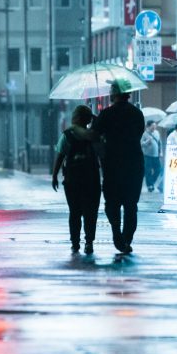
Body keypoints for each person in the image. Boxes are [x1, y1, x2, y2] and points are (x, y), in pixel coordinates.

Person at [92, 79, 145, 254]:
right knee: (131, 204)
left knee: (112, 202)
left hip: (112, 163)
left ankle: (116, 231)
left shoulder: (106, 114)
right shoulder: (137, 114)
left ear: (114, 93)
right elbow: (138, 134)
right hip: (134, 163)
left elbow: (94, 135)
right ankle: (126, 238)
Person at [51, 104, 101, 255]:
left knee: (75, 212)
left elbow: (60, 156)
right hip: (92, 180)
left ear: (75, 117)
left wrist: (54, 175)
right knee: (90, 213)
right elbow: (102, 155)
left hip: (72, 180)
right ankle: (89, 242)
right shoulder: (94, 136)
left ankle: (75, 243)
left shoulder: (67, 135)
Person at [140, 120, 162, 191]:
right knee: (148, 171)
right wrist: (147, 141)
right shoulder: (144, 134)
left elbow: (159, 143)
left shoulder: (157, 133)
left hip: (156, 155)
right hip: (147, 155)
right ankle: (149, 186)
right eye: (152, 126)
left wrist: (161, 152)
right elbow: (141, 144)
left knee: (158, 170)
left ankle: (151, 182)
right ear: (148, 126)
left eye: (155, 126)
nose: (154, 128)